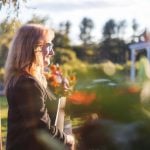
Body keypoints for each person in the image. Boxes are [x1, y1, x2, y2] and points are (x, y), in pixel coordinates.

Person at [4, 24, 74, 150]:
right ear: (32, 47)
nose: (52, 52)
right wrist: (67, 139)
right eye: (48, 45)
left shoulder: (24, 79)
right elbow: (42, 128)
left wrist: (61, 92)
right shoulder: (27, 83)